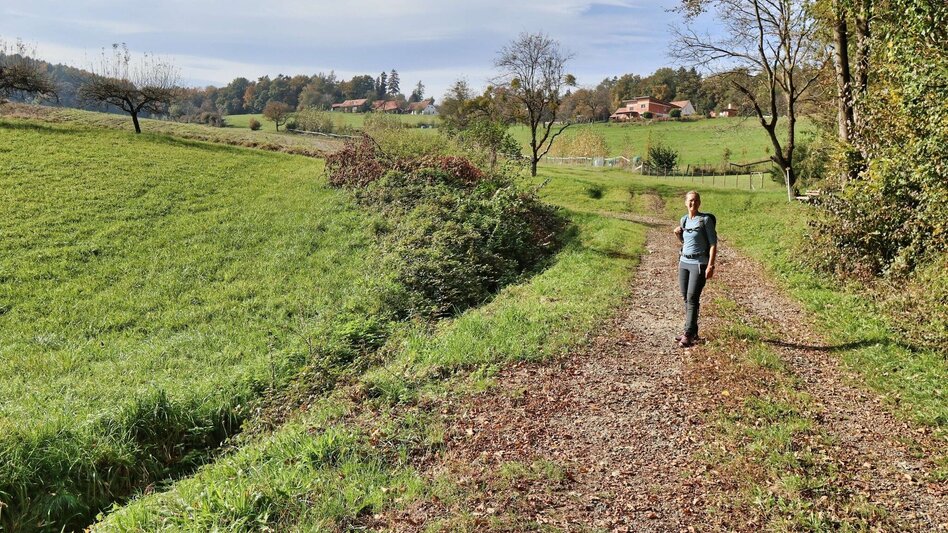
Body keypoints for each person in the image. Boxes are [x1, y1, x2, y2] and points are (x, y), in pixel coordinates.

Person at [673, 190, 717, 348]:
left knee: (692, 298)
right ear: (685, 203)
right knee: (686, 297)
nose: (693, 203)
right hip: (684, 262)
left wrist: (711, 265)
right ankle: (694, 332)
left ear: (699, 203)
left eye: (696, 200)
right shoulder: (684, 220)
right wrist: (678, 235)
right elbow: (685, 243)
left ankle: (688, 333)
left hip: (699, 263)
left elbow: (713, 244)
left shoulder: (705, 220)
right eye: (691, 200)